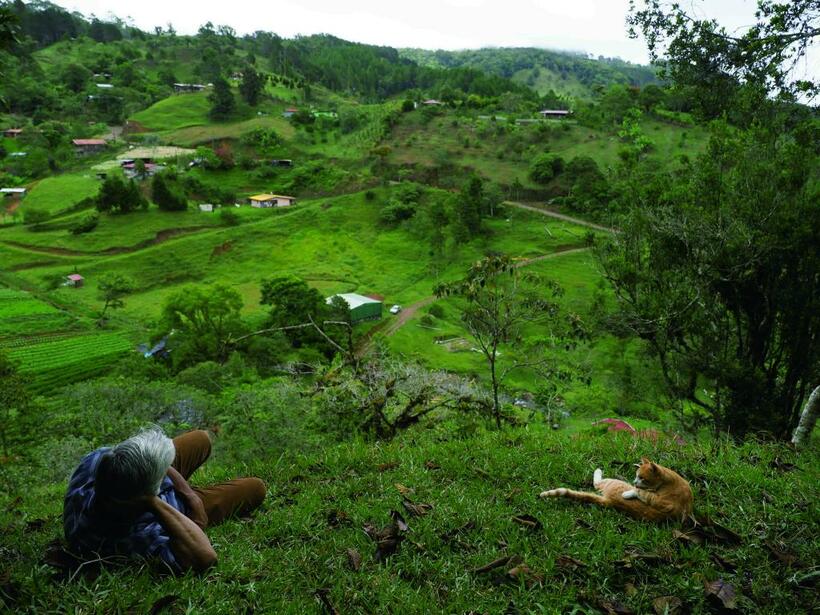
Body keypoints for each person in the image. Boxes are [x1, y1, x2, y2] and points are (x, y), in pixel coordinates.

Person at [63, 426, 266, 573]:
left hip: (152, 487)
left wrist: (190, 494)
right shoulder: (137, 537)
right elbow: (206, 558)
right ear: (147, 495)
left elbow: (131, 460)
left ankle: (161, 473)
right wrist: (190, 507)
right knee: (255, 488)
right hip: (179, 512)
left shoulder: (100, 461)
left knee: (200, 439)